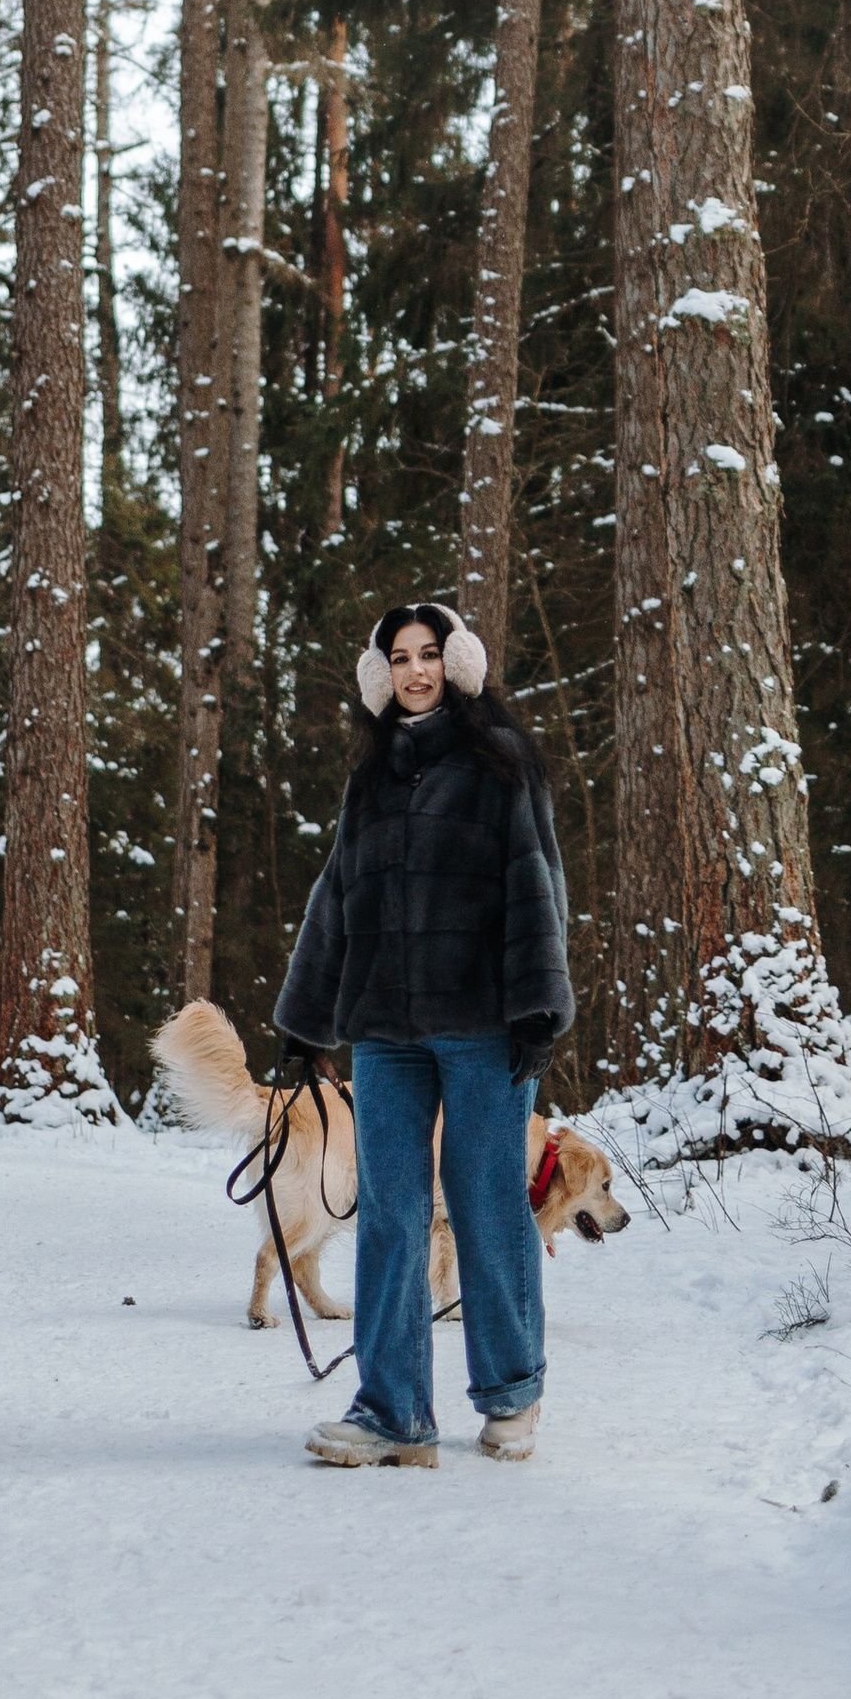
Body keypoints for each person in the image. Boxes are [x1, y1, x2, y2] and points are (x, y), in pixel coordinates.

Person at [273, 597, 574, 1467]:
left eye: (429, 653)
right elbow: (335, 900)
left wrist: (539, 1010)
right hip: (387, 1034)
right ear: (380, 673)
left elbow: (537, 888)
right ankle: (394, 1413)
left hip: (484, 1028)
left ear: (459, 663)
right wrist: (306, 1023)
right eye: (399, 656)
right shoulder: (368, 779)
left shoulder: (501, 763)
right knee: (394, 1218)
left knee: (485, 1210)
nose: (415, 670)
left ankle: (513, 1392)